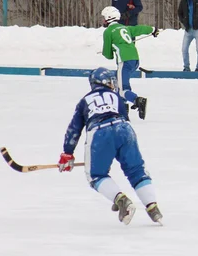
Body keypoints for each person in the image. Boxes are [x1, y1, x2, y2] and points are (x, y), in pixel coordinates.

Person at [58, 67, 162, 226]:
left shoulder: (84, 101)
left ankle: (121, 200)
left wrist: (67, 154)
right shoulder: (116, 96)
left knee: (96, 175)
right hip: (125, 129)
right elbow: (123, 117)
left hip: (100, 133)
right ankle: (153, 207)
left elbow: (74, 130)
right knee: (136, 171)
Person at [101, 6, 159, 120]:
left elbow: (108, 55)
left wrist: (109, 50)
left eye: (104, 18)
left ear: (109, 18)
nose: (103, 20)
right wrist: (153, 30)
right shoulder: (125, 28)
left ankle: (138, 100)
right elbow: (139, 29)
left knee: (123, 90)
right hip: (135, 60)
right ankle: (123, 109)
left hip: (124, 61)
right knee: (120, 84)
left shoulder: (108, 32)